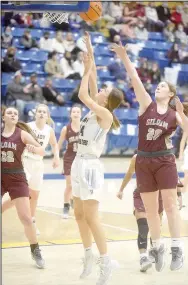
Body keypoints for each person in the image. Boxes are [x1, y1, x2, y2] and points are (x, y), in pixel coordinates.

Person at [112, 41, 188, 272]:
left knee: (171, 206)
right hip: (143, 160)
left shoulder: (175, 114)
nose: (158, 87)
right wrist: (125, 57)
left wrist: (183, 113)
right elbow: (135, 80)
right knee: (151, 210)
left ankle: (177, 248)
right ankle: (158, 246)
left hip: (165, 160)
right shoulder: (147, 104)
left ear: (171, 93)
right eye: (158, 85)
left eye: (163, 86)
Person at [71, 32, 123, 285]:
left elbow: (83, 95)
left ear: (107, 99)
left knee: (92, 216)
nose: (101, 89)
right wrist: (89, 54)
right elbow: (92, 84)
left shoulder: (104, 114)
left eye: (104, 90)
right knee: (78, 214)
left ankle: (106, 262)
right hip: (78, 162)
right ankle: (88, 255)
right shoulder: (99, 107)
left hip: (90, 167)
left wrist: (87, 69)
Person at [117, 152, 183, 272]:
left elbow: (174, 176)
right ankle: (143, 258)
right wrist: (121, 189)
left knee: (155, 226)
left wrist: (178, 194)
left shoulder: (165, 154)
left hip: (159, 194)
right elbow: (129, 173)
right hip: (141, 192)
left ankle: (156, 249)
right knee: (143, 226)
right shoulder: (136, 158)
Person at [2, 104, 60, 235]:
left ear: (47, 115)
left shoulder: (49, 130)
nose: (41, 113)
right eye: (39, 111)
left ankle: (32, 222)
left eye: (44, 112)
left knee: (34, 195)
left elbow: (54, 144)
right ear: (35, 114)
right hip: (24, 161)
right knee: (21, 193)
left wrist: (56, 157)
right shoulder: (28, 126)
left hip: (38, 164)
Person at [1, 106, 45, 268]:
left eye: (15, 113)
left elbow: (41, 150)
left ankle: (35, 250)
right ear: (3, 117)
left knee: (26, 217)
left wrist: (35, 149)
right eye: (9, 113)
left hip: (16, 176)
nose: (12, 114)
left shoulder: (22, 134)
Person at [58, 105, 81, 219]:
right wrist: (56, 158)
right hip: (69, 158)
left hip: (81, 158)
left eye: (78, 111)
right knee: (70, 185)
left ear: (80, 114)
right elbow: (59, 145)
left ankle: (73, 200)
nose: (76, 113)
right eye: (74, 111)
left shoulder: (84, 128)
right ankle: (66, 206)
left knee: (80, 185)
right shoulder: (66, 129)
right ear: (71, 114)